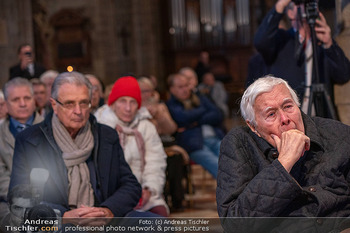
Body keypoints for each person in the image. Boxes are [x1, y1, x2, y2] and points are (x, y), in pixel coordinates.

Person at [8, 72, 143, 220]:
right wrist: (63, 217)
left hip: (105, 219)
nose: (78, 111)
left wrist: (108, 210)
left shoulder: (106, 136)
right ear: (54, 105)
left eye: (84, 103)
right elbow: (20, 198)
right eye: (69, 104)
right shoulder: (30, 140)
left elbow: (131, 186)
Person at [217, 75, 350, 221]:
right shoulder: (240, 144)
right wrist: (284, 163)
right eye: (271, 114)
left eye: (288, 106)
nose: (285, 119)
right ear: (253, 126)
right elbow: (234, 222)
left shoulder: (339, 134)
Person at [254, 0, 350, 117]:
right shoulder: (282, 41)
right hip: (287, 120)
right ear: (290, 13)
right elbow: (260, 42)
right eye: (301, 3)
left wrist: (329, 44)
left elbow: (344, 75)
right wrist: (281, 4)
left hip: (320, 120)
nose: (306, 6)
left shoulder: (321, 42)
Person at [94, 76, 169, 217]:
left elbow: (155, 161)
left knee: (160, 219)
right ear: (113, 103)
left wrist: (149, 189)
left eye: (133, 102)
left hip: (144, 192)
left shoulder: (146, 126)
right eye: (122, 101)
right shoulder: (102, 126)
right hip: (113, 195)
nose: (128, 108)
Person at [138, 76, 189, 211]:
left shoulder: (160, 107)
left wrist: (159, 115)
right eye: (143, 91)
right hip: (143, 147)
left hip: (164, 143)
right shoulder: (133, 109)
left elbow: (171, 129)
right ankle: (162, 196)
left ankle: (178, 199)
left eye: (149, 91)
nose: (147, 94)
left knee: (175, 159)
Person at [0, 78, 44, 222]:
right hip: (9, 202)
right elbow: (2, 177)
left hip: (50, 198)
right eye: (16, 99)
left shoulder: (51, 129)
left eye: (27, 98)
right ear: (6, 104)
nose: (23, 104)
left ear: (34, 100)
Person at [166, 73, 224, 178]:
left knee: (236, 163)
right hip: (195, 145)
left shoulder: (200, 97)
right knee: (219, 168)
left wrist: (196, 122)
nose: (185, 89)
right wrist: (204, 110)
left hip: (215, 138)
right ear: (172, 89)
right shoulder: (171, 105)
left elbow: (218, 114)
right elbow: (183, 117)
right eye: (180, 87)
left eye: (186, 85)